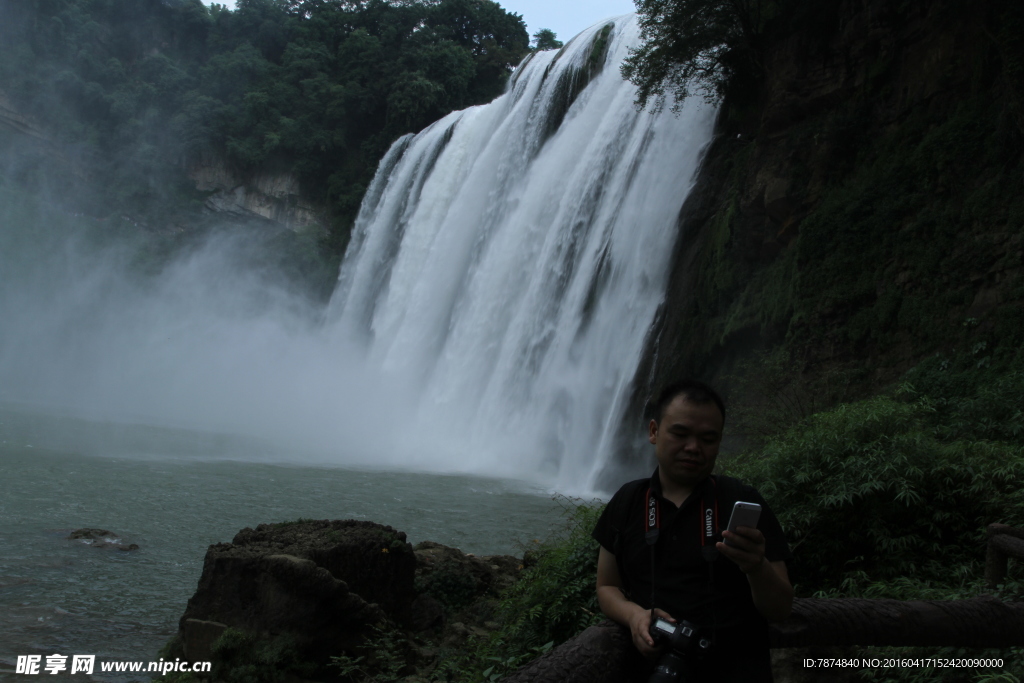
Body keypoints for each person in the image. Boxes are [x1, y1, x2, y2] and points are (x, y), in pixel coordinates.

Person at [591, 379, 793, 682]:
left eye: (708, 438)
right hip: (653, 671)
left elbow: (780, 608)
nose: (693, 448)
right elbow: (607, 586)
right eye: (680, 433)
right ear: (654, 432)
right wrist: (633, 615)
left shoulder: (740, 499)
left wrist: (756, 567)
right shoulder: (628, 501)